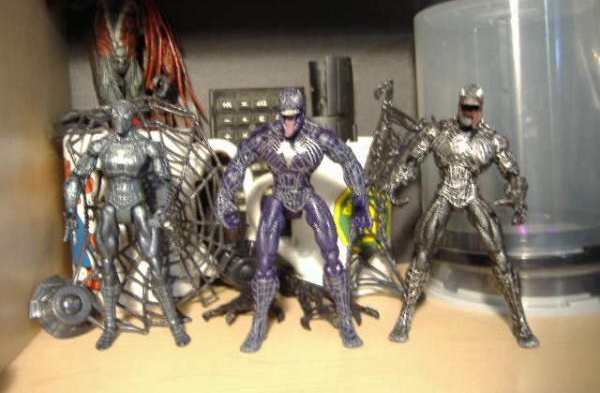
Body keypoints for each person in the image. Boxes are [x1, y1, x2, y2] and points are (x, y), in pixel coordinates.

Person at [217, 87, 371, 352]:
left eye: (294, 117)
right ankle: (258, 327)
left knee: (332, 255)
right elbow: (238, 164)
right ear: (279, 114)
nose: (289, 123)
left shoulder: (318, 136)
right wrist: (224, 199)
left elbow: (350, 162)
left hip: (305, 193)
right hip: (278, 194)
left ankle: (345, 322)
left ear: (301, 114)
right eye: (284, 117)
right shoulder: (266, 136)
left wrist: (360, 201)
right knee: (264, 260)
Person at [387, 84, 539, 348]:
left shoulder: (491, 140)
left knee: (499, 254)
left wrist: (517, 196)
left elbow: (513, 173)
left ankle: (520, 321)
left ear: (481, 109)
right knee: (423, 251)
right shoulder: (439, 132)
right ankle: (405, 316)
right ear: (459, 106)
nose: (469, 113)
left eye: (474, 108)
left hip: (471, 193)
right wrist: (396, 182)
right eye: (465, 107)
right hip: (446, 191)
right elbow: (412, 161)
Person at [64, 100, 190, 349]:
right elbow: (76, 177)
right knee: (107, 264)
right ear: (112, 118)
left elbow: (164, 182)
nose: (120, 121)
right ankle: (110, 325)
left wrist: (161, 211)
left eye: (124, 116)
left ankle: (175, 323)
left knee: (156, 264)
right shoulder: (101, 145)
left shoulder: (147, 146)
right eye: (116, 116)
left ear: (130, 117)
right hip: (111, 206)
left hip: (138, 205)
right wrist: (70, 212)